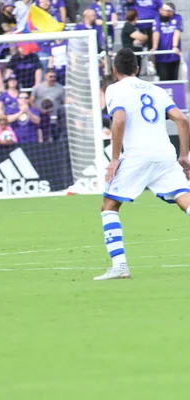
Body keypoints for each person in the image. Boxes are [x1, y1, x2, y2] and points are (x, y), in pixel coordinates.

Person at [96, 48, 190, 281]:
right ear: (137, 69)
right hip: (165, 154)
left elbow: (118, 119)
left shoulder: (114, 89)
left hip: (137, 156)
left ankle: (119, 266)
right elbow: (182, 119)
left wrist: (116, 158)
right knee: (185, 201)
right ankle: (119, 266)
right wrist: (184, 155)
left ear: (114, 70)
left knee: (109, 206)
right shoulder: (156, 90)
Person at [151, 3, 181, 81]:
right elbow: (156, 33)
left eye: (164, 10)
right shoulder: (157, 19)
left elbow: (177, 32)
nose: (161, 11)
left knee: (174, 80)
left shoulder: (177, 18)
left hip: (174, 56)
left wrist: (174, 46)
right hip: (161, 57)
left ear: (171, 12)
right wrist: (154, 47)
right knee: (164, 79)